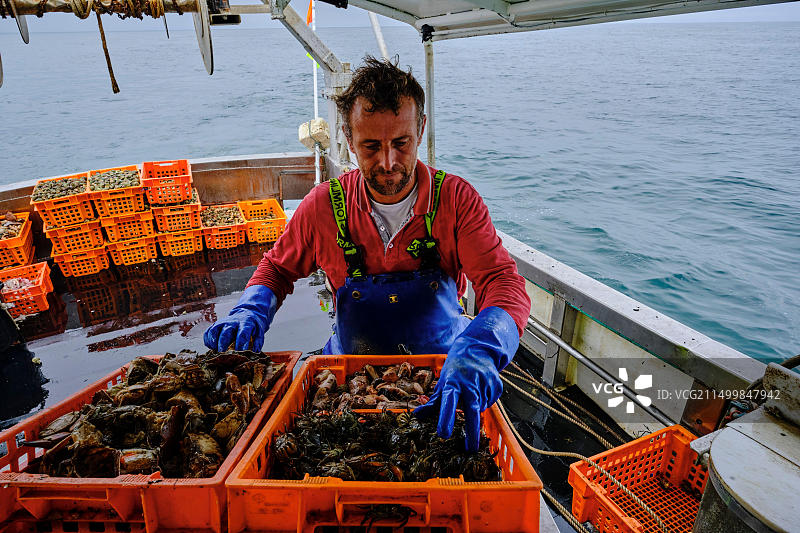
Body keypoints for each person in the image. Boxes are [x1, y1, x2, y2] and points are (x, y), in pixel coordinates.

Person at [205, 57, 531, 451]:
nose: (388, 163)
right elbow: (277, 268)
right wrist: (251, 309)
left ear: (421, 130)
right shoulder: (322, 206)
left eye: (401, 143)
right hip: (346, 376)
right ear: (347, 136)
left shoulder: (457, 200)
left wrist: (483, 344)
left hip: (445, 377)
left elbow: (503, 283)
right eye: (371, 147)